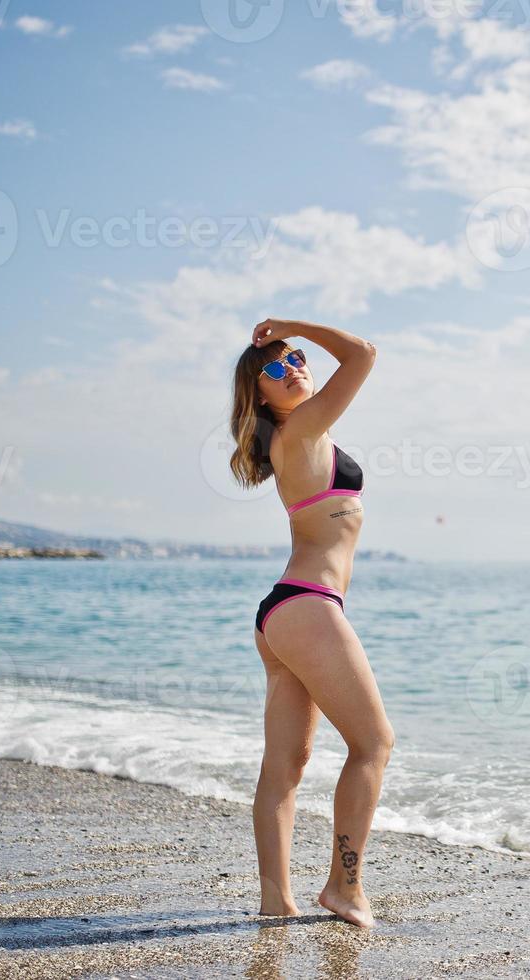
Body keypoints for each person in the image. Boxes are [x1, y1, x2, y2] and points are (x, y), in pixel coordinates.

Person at [228, 317, 393, 929]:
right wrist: (290, 323)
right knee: (374, 744)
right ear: (260, 396)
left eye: (295, 356)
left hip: (283, 611)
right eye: (274, 368)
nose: (293, 367)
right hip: (307, 603)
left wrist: (284, 341)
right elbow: (363, 354)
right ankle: (345, 889)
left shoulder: (302, 434)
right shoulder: (300, 428)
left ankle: (277, 903)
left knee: (285, 768)